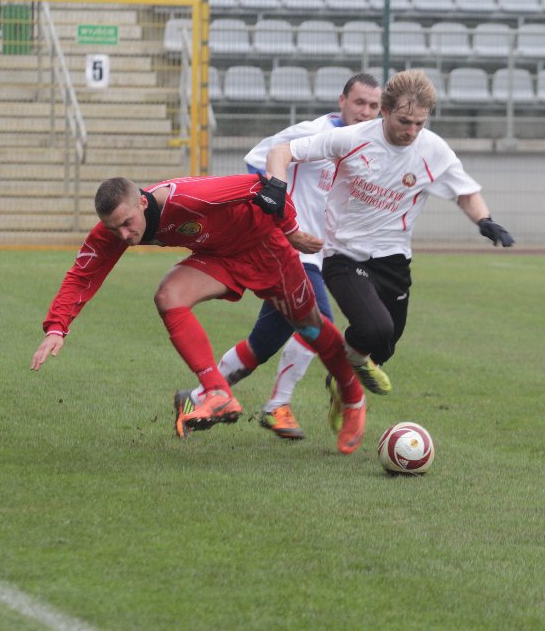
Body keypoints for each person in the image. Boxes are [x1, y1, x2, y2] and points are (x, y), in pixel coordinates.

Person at [29, 174, 368, 454]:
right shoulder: (118, 227)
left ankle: (353, 398)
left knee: (309, 326)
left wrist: (291, 229)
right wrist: (57, 327)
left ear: (143, 202)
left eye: (127, 224)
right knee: (168, 296)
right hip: (218, 257)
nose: (123, 235)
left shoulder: (187, 197)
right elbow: (83, 273)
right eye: (114, 228)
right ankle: (218, 392)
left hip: (265, 250)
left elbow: (264, 187)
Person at [263, 69, 515, 427]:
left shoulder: (433, 150)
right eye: (404, 121)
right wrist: (275, 187)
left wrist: (485, 220)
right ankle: (345, 378)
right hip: (344, 254)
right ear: (384, 110)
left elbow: (465, 192)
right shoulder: (350, 139)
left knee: (386, 344)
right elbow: (282, 151)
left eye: (419, 123)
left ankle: (340, 381)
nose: (411, 131)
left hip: (395, 258)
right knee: (375, 327)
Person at [175, 73, 383, 442]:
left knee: (262, 344)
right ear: (342, 101)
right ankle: (277, 407)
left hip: (316, 255)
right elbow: (258, 161)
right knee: (318, 324)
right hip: (285, 249)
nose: (365, 112)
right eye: (359, 103)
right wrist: (279, 219)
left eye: (373, 106)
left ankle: (193, 398)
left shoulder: (366, 146)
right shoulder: (312, 132)